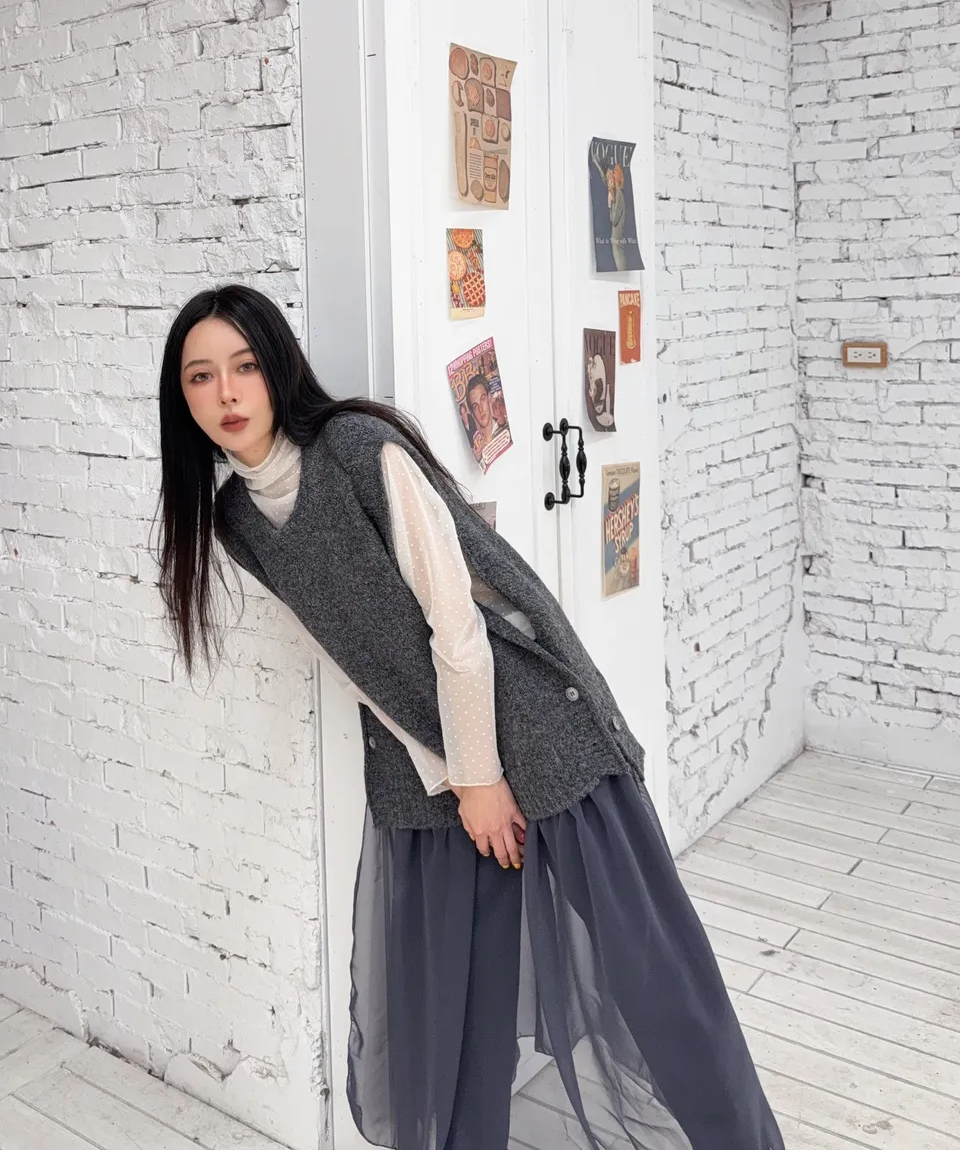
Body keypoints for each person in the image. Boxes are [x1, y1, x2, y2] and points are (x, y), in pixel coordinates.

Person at [155, 283, 786, 1150]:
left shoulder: (357, 447)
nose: (226, 393)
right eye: (200, 376)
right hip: (428, 764)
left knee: (653, 978)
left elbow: (456, 624)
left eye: (246, 366)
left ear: (279, 369)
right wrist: (453, 779)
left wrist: (482, 778)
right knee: (456, 1013)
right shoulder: (236, 520)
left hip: (536, 722)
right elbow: (358, 661)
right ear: (181, 397)